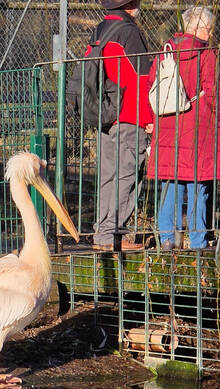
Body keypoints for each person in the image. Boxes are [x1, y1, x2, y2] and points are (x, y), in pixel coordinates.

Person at [147, 6, 220, 249]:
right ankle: (198, 241)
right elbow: (217, 93)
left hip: (168, 127)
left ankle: (167, 238)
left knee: (170, 182)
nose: (212, 34)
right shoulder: (206, 55)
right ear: (202, 28)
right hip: (199, 129)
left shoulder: (165, 52)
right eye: (210, 29)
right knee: (199, 185)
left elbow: (151, 85)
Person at [88, 0, 154, 251]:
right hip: (130, 116)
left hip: (105, 115)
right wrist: (149, 119)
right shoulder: (130, 32)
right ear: (131, 5)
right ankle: (111, 235)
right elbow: (142, 78)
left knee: (108, 177)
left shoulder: (99, 30)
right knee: (128, 177)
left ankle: (102, 235)